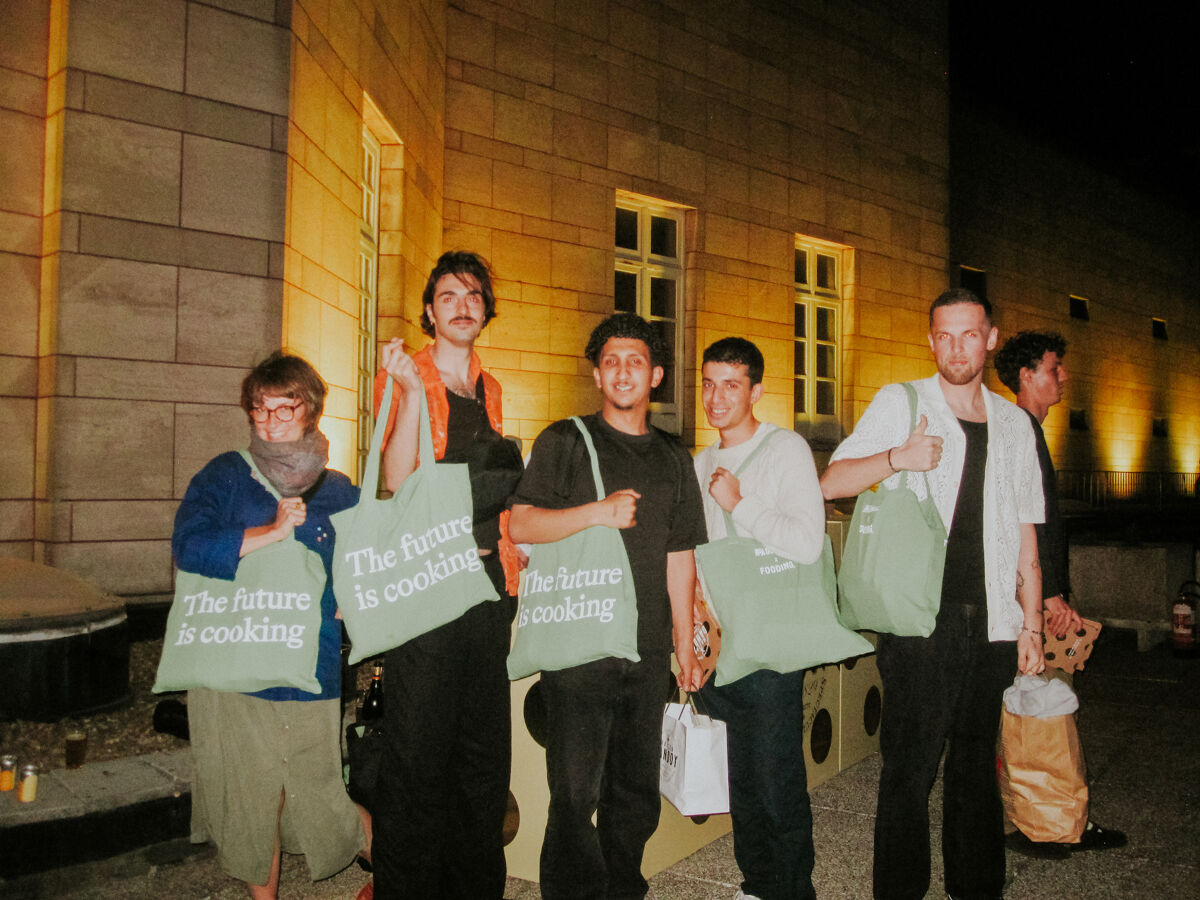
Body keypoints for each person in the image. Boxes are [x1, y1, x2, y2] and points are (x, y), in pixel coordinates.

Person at [820, 288, 1046, 900]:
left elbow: (1026, 529)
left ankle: (977, 889)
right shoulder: (904, 401)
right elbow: (831, 481)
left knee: (975, 766)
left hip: (994, 619)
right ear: (930, 339)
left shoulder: (1014, 424)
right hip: (923, 619)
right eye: (943, 335)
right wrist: (898, 456)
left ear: (991, 338)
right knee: (910, 767)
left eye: (968, 334)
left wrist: (1031, 625)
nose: (956, 348)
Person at [507, 313, 707, 900]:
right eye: (613, 361)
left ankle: (623, 888)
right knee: (573, 793)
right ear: (597, 373)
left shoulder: (674, 457)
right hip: (580, 645)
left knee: (634, 792)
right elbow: (521, 524)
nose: (624, 372)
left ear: (657, 376)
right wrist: (596, 512)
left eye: (636, 361)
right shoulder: (565, 441)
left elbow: (680, 557)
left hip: (646, 649)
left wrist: (683, 644)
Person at [173, 351, 370, 899]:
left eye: (288, 407)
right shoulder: (225, 474)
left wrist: (349, 595)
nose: (273, 420)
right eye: (262, 409)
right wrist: (269, 531)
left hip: (308, 665)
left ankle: (400, 875)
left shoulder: (337, 490)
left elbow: (368, 558)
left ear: (312, 412)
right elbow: (188, 547)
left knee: (321, 790)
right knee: (254, 796)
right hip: (237, 664)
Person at [368, 251, 524, 900]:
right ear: (429, 311)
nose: (463, 303)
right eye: (448, 294)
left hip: (488, 598)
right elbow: (395, 482)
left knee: (482, 763)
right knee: (416, 764)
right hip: (429, 596)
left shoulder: (491, 390)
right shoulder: (409, 377)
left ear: (485, 310)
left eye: (474, 294)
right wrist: (405, 392)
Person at [693, 337, 826, 900]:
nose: (716, 396)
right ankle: (759, 882)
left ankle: (794, 890)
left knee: (776, 778)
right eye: (708, 383)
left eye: (730, 384)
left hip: (771, 642)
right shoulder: (700, 461)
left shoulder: (785, 448)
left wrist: (739, 503)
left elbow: (807, 543)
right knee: (741, 777)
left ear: (756, 391)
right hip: (722, 645)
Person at [994, 330, 1127, 854]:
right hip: (1029, 597)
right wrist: (1048, 597)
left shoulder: (1022, 429)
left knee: (1025, 705)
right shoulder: (1019, 430)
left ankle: (1028, 815)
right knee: (1040, 704)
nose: (1063, 376)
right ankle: (1047, 819)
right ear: (1027, 376)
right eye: (1054, 367)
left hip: (1027, 592)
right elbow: (1028, 523)